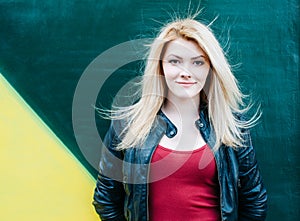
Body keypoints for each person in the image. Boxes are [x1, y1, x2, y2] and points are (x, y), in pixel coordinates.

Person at [93, 16, 267, 221]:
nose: (186, 72)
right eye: (175, 61)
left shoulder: (232, 126)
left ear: (210, 68)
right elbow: (105, 199)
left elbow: (254, 199)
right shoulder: (127, 125)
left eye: (198, 62)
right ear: (160, 67)